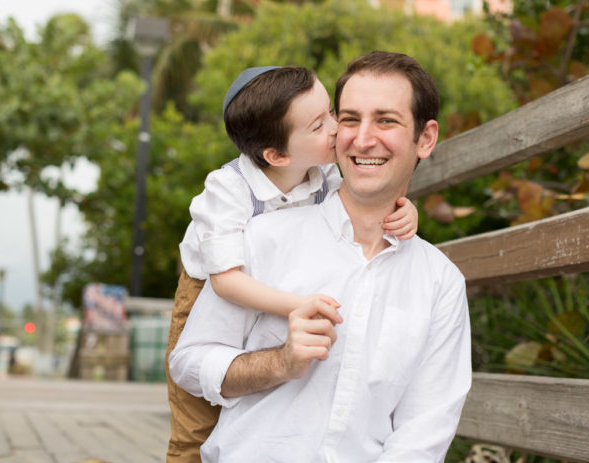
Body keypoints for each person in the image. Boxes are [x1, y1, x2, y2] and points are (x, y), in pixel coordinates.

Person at [169, 50, 472, 462]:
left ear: (426, 138)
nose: (360, 138)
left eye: (386, 120)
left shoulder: (439, 282)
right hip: (214, 278)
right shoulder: (255, 235)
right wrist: (280, 363)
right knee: (187, 440)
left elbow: (424, 431)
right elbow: (188, 360)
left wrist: (404, 208)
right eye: (348, 119)